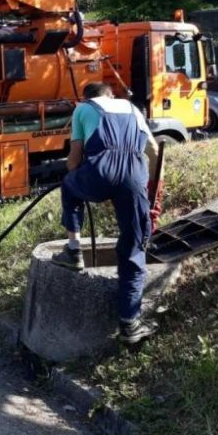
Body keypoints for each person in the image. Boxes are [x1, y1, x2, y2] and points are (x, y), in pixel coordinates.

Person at [52, 82, 164, 344]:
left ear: (87, 97)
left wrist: (75, 174)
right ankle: (130, 324)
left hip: (100, 174)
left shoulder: (82, 109)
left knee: (69, 186)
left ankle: (74, 250)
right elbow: (154, 151)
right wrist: (149, 189)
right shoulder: (133, 109)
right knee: (134, 247)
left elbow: (74, 159)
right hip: (135, 177)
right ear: (111, 94)